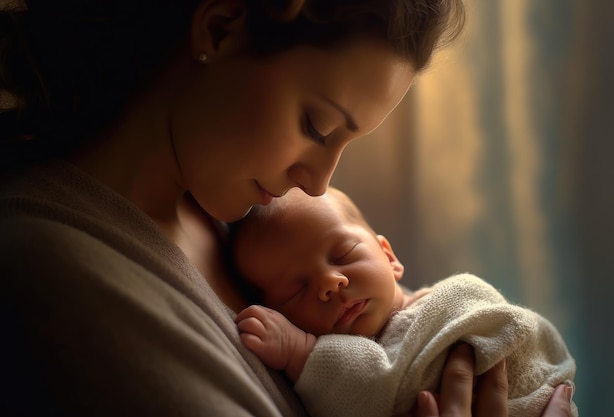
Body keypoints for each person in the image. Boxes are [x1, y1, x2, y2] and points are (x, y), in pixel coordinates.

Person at [0, 0, 574, 416]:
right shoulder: (61, 273)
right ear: (221, 28)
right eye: (316, 125)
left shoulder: (236, 219)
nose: (319, 182)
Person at [231, 186, 578, 417]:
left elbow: (378, 384)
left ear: (389, 256)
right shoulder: (359, 358)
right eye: (295, 290)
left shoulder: (446, 307)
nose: (330, 283)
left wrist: (301, 351)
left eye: (344, 253)